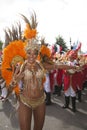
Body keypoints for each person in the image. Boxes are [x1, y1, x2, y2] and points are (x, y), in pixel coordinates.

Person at [1, 13, 77, 130]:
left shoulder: (42, 65)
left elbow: (58, 65)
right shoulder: (21, 66)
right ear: (26, 53)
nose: (32, 55)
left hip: (40, 101)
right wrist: (13, 82)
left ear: (37, 53)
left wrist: (74, 67)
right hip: (25, 101)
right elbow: (10, 90)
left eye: (35, 53)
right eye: (29, 53)